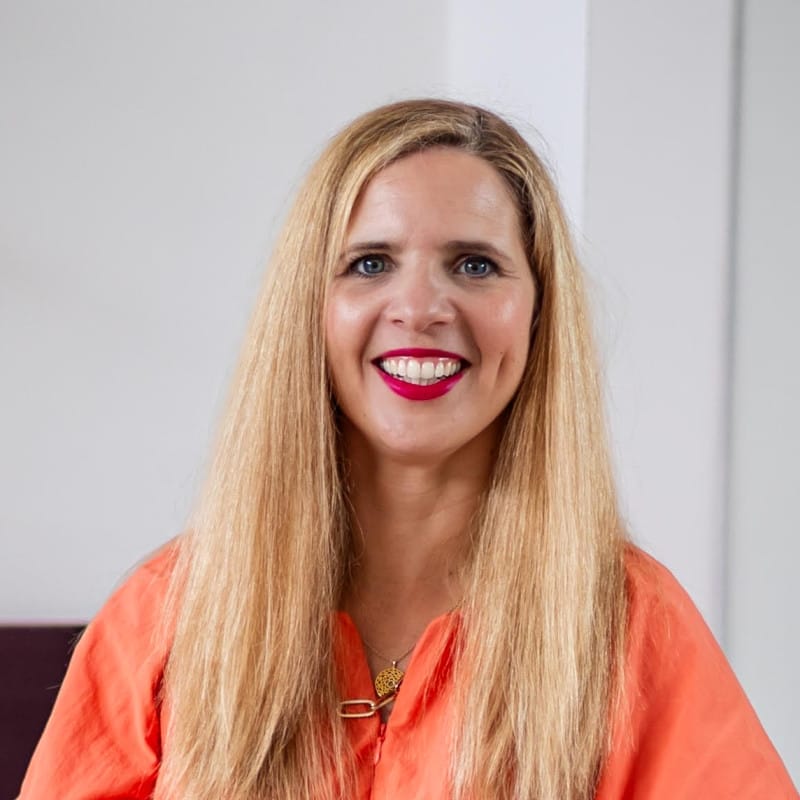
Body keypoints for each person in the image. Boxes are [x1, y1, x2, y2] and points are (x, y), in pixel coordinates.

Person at [19, 99, 797, 800]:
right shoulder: (164, 617)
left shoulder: (631, 624)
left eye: (474, 265)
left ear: (536, 315)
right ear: (309, 311)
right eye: (370, 263)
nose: (421, 308)